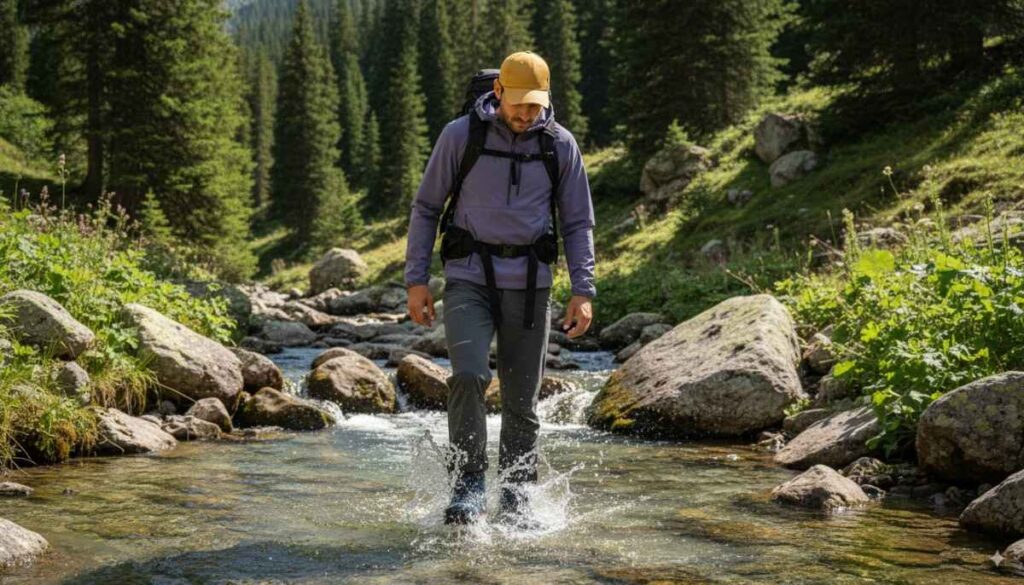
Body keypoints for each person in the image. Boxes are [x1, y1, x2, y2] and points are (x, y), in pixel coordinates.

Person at [404, 51, 596, 526]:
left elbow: (577, 222)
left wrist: (583, 289)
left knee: (521, 401)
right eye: (518, 104)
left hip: (531, 285)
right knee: (469, 375)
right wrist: (416, 281)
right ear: (498, 94)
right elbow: (427, 207)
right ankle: (468, 484)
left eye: (535, 105)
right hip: (468, 276)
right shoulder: (460, 135)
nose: (526, 114)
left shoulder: (559, 145)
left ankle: (516, 493)